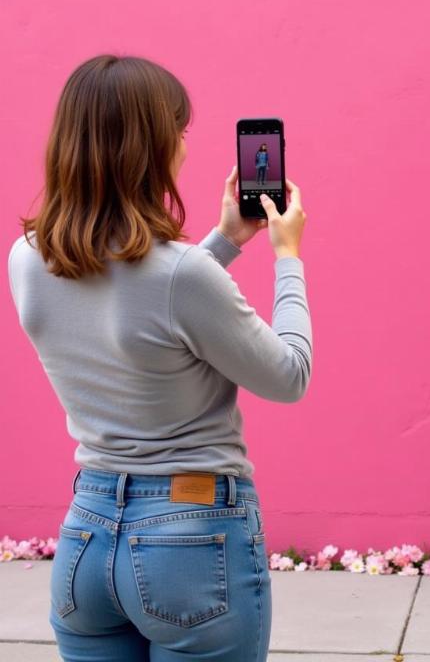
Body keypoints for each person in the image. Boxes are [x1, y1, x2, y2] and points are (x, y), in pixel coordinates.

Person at [7, 55, 312, 660]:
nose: (183, 147)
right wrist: (288, 257)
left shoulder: (26, 258)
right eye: (179, 131)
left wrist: (224, 242)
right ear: (149, 146)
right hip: (191, 537)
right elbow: (288, 375)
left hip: (87, 538)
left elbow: (138, 305)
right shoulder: (181, 275)